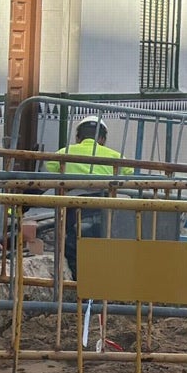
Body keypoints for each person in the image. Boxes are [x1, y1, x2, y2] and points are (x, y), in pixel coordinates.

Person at [45, 116, 134, 280]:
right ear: (102, 139)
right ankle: (102, 292)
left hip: (74, 210)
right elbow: (129, 172)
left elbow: (47, 171)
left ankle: (81, 293)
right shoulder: (115, 157)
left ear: (78, 138)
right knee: (105, 251)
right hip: (105, 210)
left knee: (74, 251)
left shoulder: (64, 153)